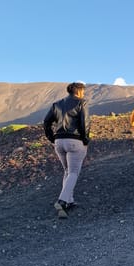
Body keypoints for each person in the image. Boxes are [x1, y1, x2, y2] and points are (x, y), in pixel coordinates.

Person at [43, 82, 90, 219]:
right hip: (75, 141)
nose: (84, 93)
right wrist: (85, 139)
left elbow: (46, 122)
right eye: (83, 91)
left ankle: (69, 201)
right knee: (74, 172)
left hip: (59, 142)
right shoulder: (82, 103)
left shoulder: (56, 104)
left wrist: (52, 138)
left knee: (67, 171)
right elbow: (84, 122)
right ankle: (62, 201)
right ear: (79, 91)